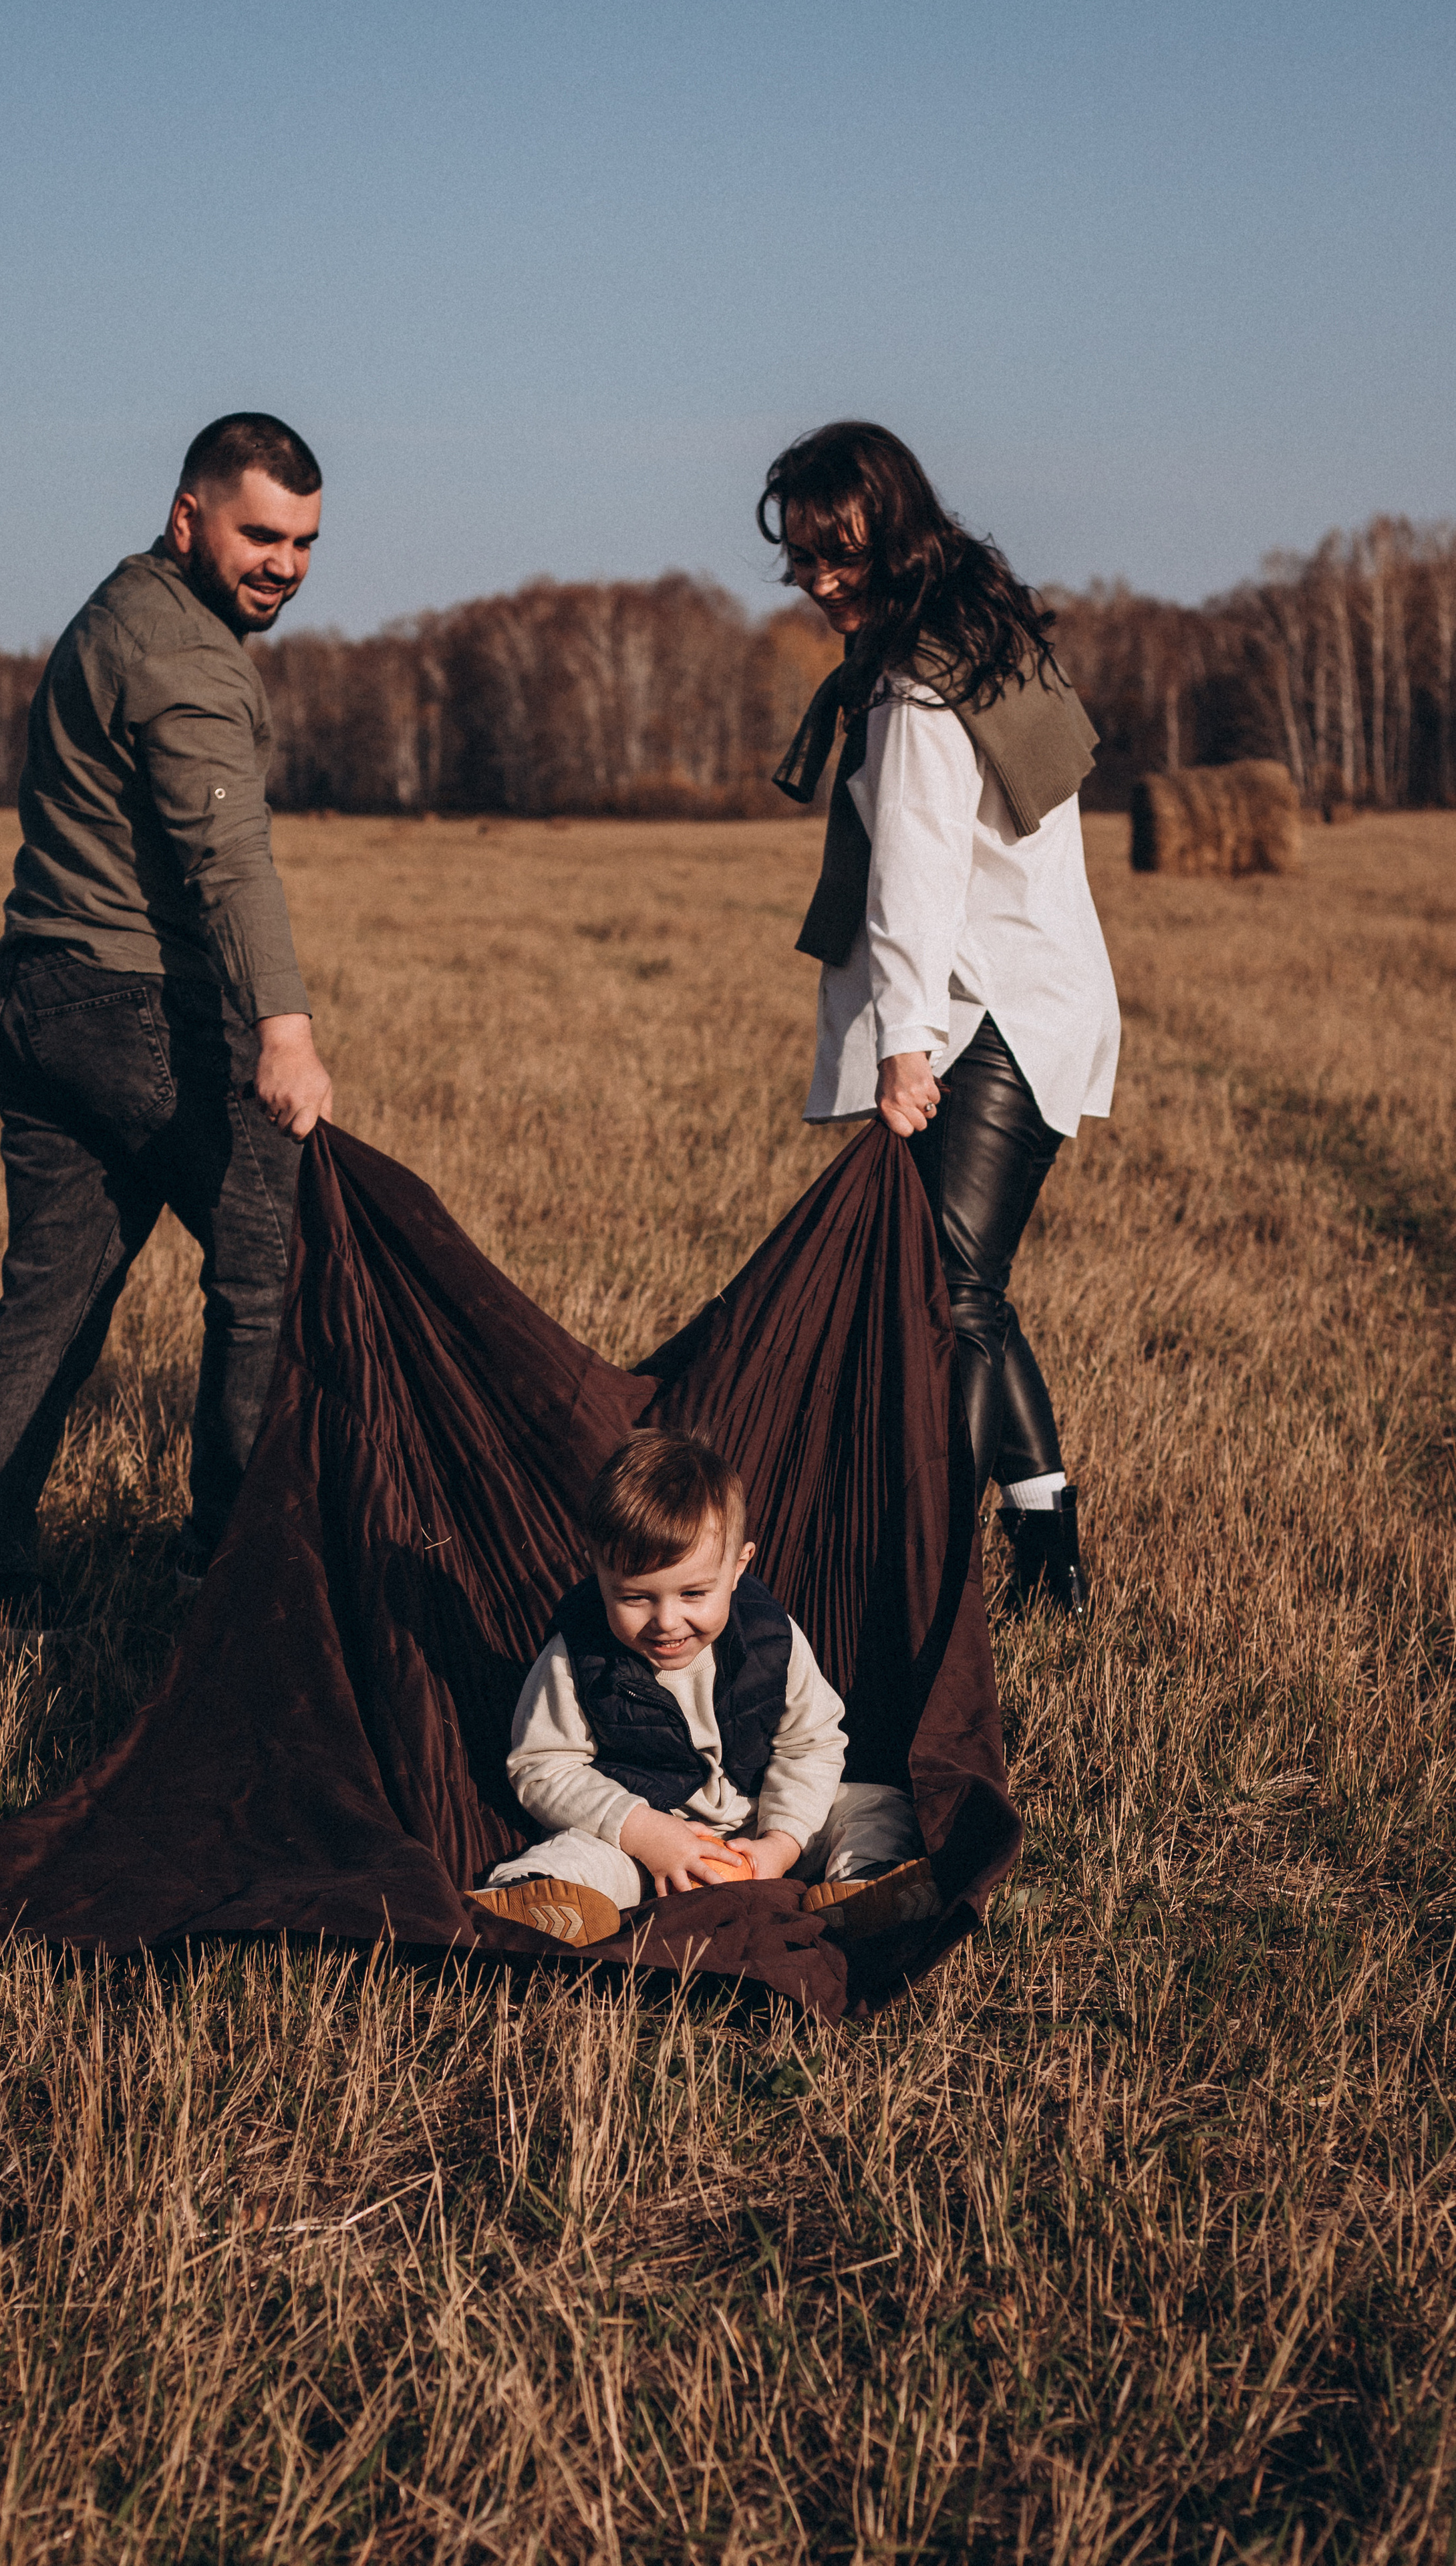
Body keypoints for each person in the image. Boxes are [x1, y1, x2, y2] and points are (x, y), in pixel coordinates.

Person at [0, 413, 334, 1641]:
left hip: (36, 996)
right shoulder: (185, 656)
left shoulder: (120, 609)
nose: (282, 562)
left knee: (50, 1300)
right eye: (259, 533)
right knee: (271, 1255)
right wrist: (284, 1027)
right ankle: (224, 1571)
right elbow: (229, 858)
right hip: (127, 1005)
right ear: (190, 517)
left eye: (304, 542)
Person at [761, 421, 1120, 1614]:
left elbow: (916, 874)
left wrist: (903, 1042)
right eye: (805, 557)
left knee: (946, 1301)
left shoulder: (918, 683)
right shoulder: (983, 635)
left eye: (840, 553)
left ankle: (919, 1574)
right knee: (972, 1292)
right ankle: (1048, 1556)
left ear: (893, 529)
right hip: (1037, 1001)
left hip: (986, 1017)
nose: (819, 580)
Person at [470, 1430, 941, 1949]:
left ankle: (861, 1889)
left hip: (762, 1822)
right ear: (597, 1572)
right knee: (583, 1853)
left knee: (876, 1806)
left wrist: (779, 1845)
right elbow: (542, 1765)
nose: (667, 1622)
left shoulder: (770, 1637)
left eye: (693, 1593)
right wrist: (647, 1833)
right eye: (634, 1598)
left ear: (739, 1567)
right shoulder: (579, 1653)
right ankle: (535, 1896)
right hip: (647, 1842)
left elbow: (813, 1744)